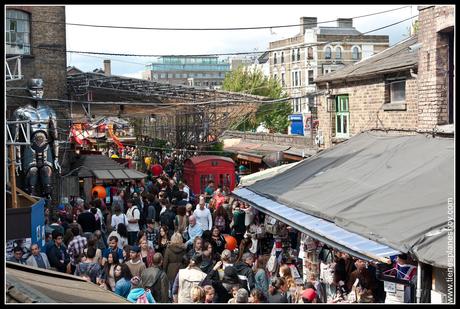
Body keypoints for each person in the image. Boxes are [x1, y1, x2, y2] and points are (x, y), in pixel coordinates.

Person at [163, 232, 187, 297]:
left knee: (171, 288)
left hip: (170, 271)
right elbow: (186, 261)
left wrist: (164, 271)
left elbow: (165, 262)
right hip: (181, 270)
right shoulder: (184, 249)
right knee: (181, 288)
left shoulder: (168, 249)